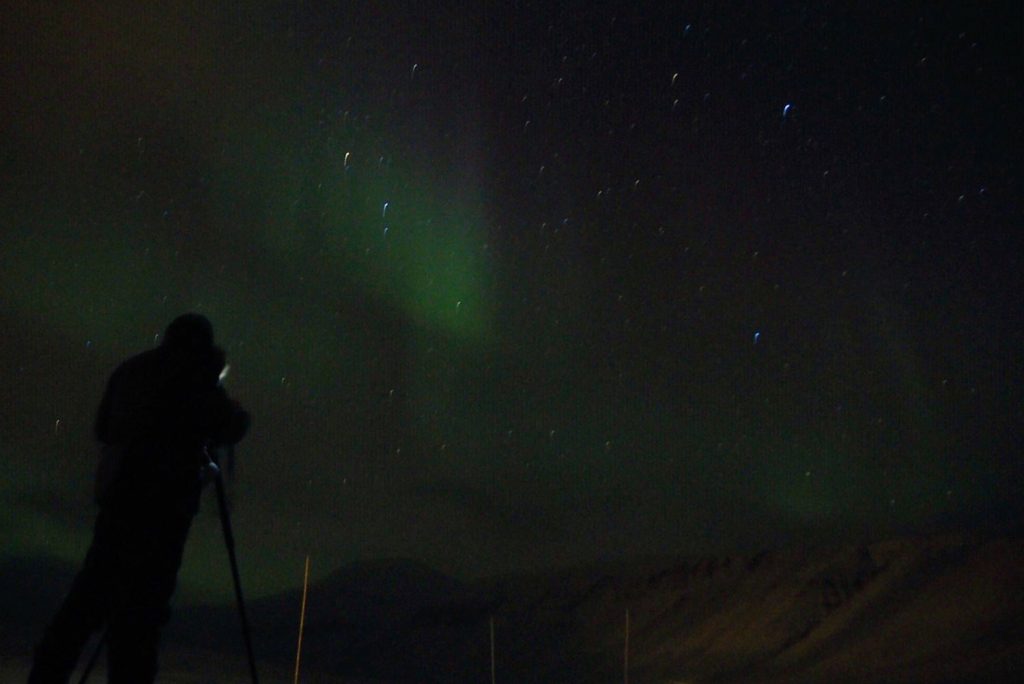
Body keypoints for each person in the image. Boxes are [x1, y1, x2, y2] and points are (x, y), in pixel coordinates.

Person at [28, 313, 250, 683]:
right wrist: (233, 414)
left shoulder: (132, 370)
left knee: (88, 600)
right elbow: (226, 424)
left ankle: (45, 675)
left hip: (121, 501)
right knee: (141, 616)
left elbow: (103, 428)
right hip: (165, 511)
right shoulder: (195, 375)